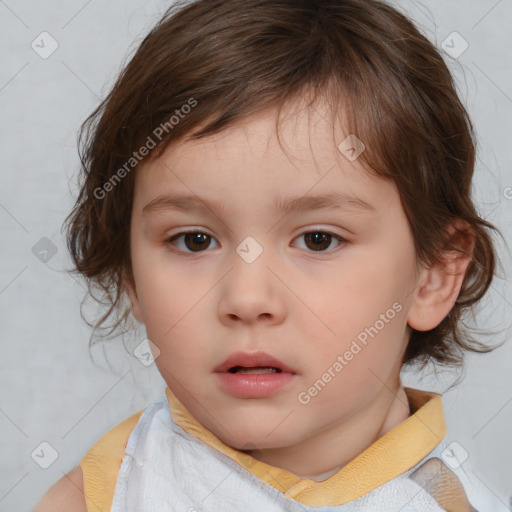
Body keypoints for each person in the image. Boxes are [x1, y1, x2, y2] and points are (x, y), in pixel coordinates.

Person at [35, 0, 506, 510]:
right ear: (131, 277)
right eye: (194, 240)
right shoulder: (102, 496)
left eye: (318, 239)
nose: (247, 298)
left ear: (434, 274)